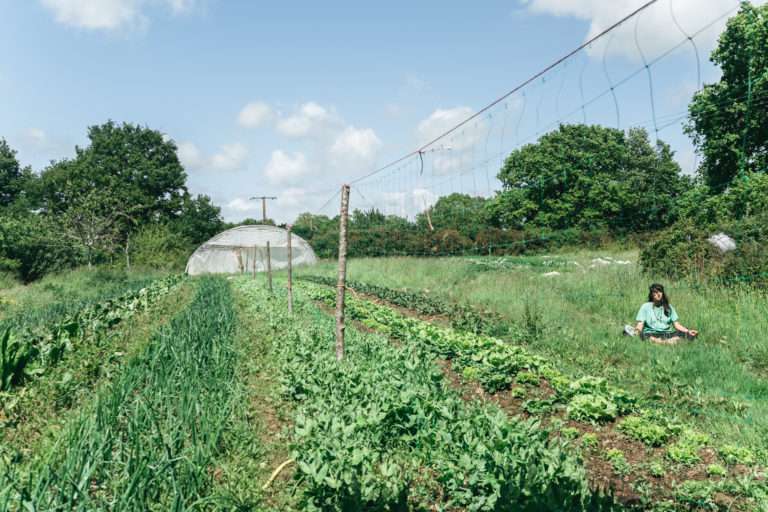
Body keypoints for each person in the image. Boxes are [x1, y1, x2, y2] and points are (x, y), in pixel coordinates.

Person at [625, 283, 698, 345]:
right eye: (655, 292)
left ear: (662, 293)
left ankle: (664, 341)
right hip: (651, 333)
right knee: (643, 335)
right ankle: (666, 342)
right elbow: (640, 324)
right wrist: (637, 331)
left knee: (688, 335)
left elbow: (676, 325)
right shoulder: (645, 306)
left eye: (660, 291)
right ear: (651, 294)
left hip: (667, 333)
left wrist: (688, 331)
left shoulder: (669, 307)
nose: (658, 294)